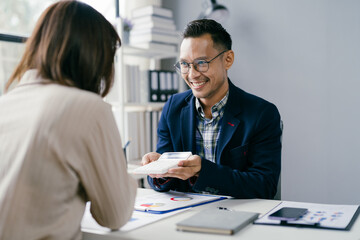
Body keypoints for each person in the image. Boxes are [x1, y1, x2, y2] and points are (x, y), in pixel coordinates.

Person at [0, 1, 137, 239]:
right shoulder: (90, 109)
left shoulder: (6, 103)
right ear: (97, 56)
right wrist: (126, 176)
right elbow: (115, 215)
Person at [142, 19, 282, 199]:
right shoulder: (173, 108)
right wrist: (158, 170)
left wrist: (203, 171)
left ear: (228, 59)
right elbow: (166, 183)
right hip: (184, 213)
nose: (192, 74)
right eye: (184, 64)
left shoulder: (262, 113)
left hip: (239, 214)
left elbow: (264, 185)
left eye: (201, 62)